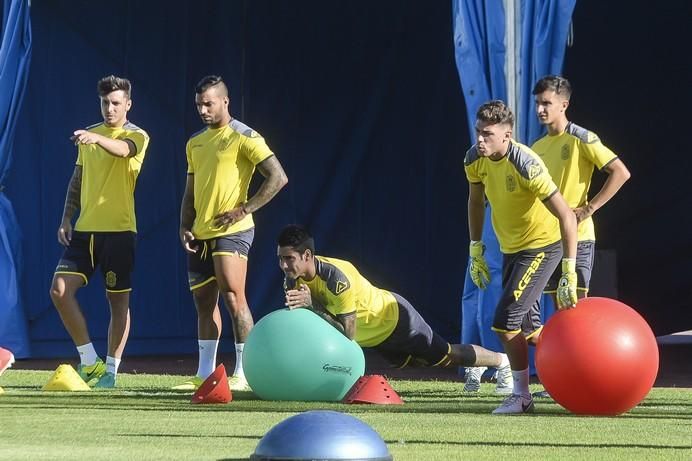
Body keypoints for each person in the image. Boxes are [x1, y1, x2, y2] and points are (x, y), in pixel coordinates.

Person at [277, 224, 514, 393]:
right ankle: (476, 366)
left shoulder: (336, 279)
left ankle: (501, 361)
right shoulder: (292, 278)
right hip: (375, 338)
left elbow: (348, 334)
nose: (284, 265)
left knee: (446, 356)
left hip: (395, 319)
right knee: (418, 363)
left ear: (307, 255)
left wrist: (313, 305)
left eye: (289, 258)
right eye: (280, 258)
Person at [174, 75, 288, 392]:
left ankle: (244, 373)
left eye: (208, 103)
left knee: (234, 298)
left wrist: (244, 209)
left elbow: (278, 177)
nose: (202, 109)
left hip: (233, 231)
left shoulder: (244, 136)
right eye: (198, 104)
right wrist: (184, 225)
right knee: (203, 303)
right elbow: (190, 191)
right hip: (200, 233)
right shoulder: (194, 142)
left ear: (225, 101)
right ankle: (204, 373)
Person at [464, 100, 578, 414]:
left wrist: (569, 269)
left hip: (542, 247)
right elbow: (475, 202)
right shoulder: (474, 159)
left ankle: (522, 397)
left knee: (504, 323)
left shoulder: (526, 162)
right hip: (512, 250)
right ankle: (579, 371)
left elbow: (567, 216)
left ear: (507, 135)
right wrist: (476, 248)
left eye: (487, 134)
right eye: (478, 132)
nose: (480, 140)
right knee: (529, 334)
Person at [49, 75, 150, 388]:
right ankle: (90, 362)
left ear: (128, 105)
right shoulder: (89, 135)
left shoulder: (138, 135)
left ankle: (111, 371)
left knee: (117, 302)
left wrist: (97, 140)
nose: (110, 108)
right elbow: (77, 180)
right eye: (105, 102)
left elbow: (122, 150)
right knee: (60, 291)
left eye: (116, 103)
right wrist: (66, 217)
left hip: (119, 233)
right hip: (84, 231)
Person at [532, 75, 630, 305]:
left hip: (578, 237)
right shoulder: (537, 146)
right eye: (537, 103)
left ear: (563, 105)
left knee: (576, 303)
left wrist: (589, 209)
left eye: (546, 103)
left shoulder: (581, 138)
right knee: (559, 307)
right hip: (547, 238)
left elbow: (621, 172)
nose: (540, 109)